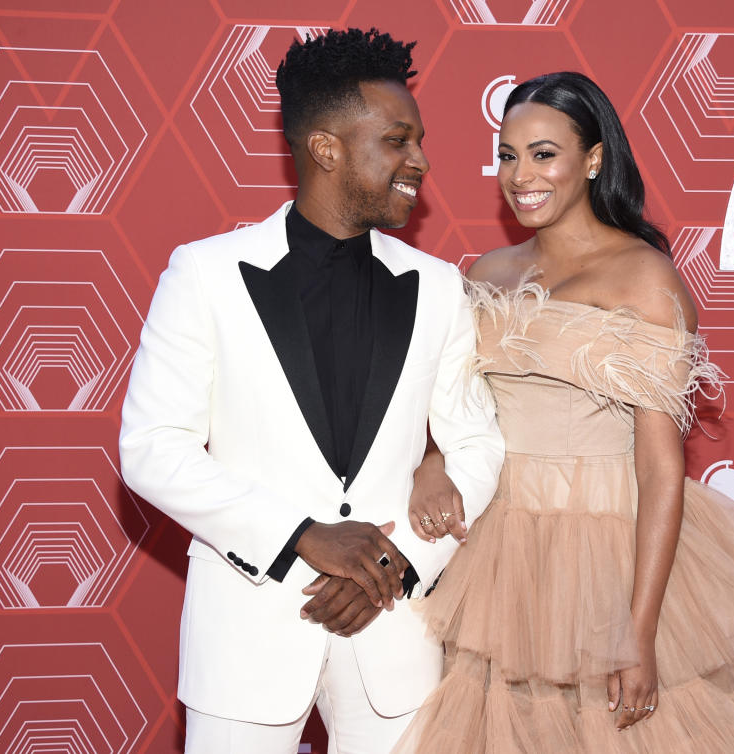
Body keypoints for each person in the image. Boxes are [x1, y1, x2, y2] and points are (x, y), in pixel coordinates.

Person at [396, 71, 734, 752]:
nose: (522, 175)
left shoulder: (645, 278)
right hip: (496, 553)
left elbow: (661, 467)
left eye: (544, 153)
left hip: (609, 546)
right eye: (509, 154)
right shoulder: (484, 273)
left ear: (594, 157)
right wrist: (432, 460)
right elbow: (459, 408)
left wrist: (637, 632)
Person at [119, 29, 504, 754]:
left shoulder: (439, 288)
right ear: (326, 148)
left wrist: (396, 570)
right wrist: (302, 539)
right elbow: (152, 449)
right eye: (397, 141)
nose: (420, 161)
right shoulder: (206, 274)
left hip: (393, 636)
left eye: (417, 140)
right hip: (248, 633)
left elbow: (477, 442)